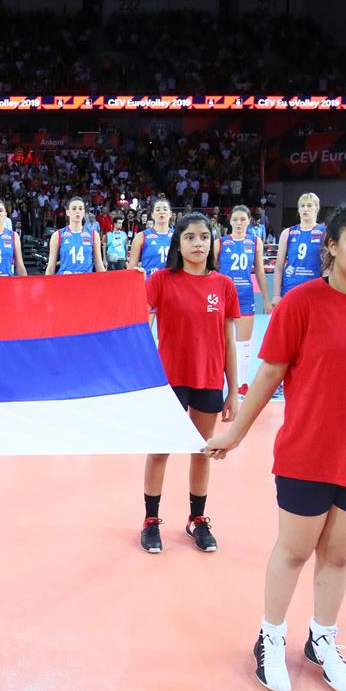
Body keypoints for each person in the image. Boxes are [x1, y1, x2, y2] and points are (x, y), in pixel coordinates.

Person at [205, 197, 346, 691]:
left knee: (339, 554)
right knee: (294, 551)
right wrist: (235, 433)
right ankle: (270, 637)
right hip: (308, 450)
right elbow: (270, 374)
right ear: (332, 245)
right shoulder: (301, 303)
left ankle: (322, 639)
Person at [140, 213, 239, 556]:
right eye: (190, 237)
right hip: (169, 381)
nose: (198, 243)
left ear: (212, 243)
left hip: (208, 379)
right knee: (160, 450)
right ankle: (150, 521)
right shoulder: (161, 280)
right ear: (178, 244)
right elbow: (136, 322)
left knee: (202, 450)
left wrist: (233, 391)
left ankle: (197, 519)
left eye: (204, 237)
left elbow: (228, 340)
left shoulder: (224, 285)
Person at [218, 205, 273, 397]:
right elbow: (211, 270)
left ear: (249, 221)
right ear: (230, 221)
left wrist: (266, 299)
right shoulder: (220, 243)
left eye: (243, 219)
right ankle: (218, 382)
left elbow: (260, 271)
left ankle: (242, 384)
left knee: (244, 344)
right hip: (223, 297)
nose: (239, 223)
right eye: (235, 219)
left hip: (245, 297)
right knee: (221, 342)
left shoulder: (255, 242)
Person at [271, 192, 324, 304]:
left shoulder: (324, 232)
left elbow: (329, 266)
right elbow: (279, 267)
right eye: (302, 206)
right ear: (298, 209)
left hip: (314, 289)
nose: (305, 209)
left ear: (317, 208)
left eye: (309, 205)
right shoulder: (288, 233)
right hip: (290, 289)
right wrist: (276, 295)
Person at [44, 196, 104, 275]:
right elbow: (51, 267)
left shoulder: (93, 234)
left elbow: (99, 265)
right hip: (65, 279)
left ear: (84, 211)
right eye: (74, 208)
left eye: (80, 209)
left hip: (86, 280)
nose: (77, 211)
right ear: (67, 212)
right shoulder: (58, 235)